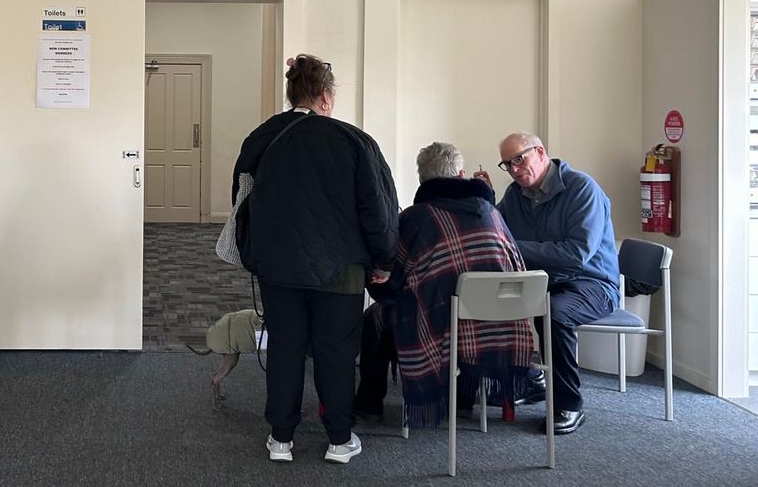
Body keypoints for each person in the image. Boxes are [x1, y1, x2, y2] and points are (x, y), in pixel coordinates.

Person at [231, 55, 398, 464]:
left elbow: (240, 200)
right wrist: (384, 260)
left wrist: (254, 253)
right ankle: (340, 439)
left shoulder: (262, 137)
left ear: (293, 93)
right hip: (340, 270)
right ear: (326, 96)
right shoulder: (355, 142)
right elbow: (377, 210)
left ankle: (281, 438)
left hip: (278, 266)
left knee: (285, 347)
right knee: (336, 352)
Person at [354, 142, 533, 427]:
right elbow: (516, 264)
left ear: (422, 178)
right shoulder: (492, 214)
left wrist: (376, 284)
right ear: (461, 173)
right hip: (498, 324)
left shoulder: (414, 218)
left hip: (435, 326)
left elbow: (390, 285)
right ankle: (463, 401)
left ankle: (369, 404)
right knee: (462, 311)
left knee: (374, 320)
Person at [480, 132, 619, 435]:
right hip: (544, 281)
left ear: (540, 152)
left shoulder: (582, 189)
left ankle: (569, 404)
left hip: (592, 284)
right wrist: (485, 199)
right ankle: (530, 378)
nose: (515, 169)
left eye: (519, 159)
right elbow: (497, 231)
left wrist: (515, 246)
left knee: (555, 313)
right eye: (507, 164)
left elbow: (576, 254)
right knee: (489, 299)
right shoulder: (515, 194)